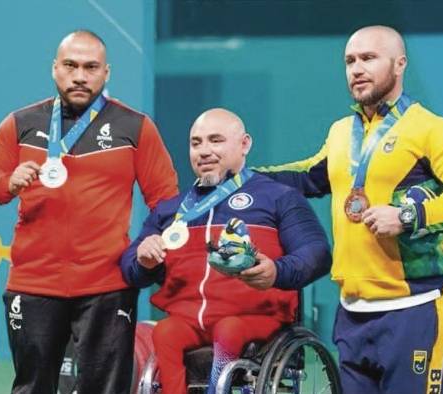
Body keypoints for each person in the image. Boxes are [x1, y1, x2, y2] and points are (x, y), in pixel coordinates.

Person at [256, 25, 443, 394]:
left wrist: (408, 217)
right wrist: (240, 177)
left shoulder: (434, 129)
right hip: (353, 313)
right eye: (350, 61)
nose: (356, 68)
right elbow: (308, 176)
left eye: (369, 58)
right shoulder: (341, 132)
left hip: (414, 309)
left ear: (400, 64)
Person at [0, 30, 178, 394]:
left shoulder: (136, 127)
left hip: (107, 284)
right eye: (70, 66)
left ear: (106, 73)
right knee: (33, 387)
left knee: (106, 389)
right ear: (55, 69)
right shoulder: (22, 123)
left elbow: (165, 200)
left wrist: (149, 245)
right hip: (34, 283)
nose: (80, 76)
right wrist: (9, 182)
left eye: (90, 67)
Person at [120, 108, 332, 394]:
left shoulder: (277, 197)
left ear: (244, 145)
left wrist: (277, 271)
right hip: (189, 319)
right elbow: (131, 268)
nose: (204, 151)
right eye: (196, 143)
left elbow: (317, 253)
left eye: (216, 140)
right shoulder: (171, 210)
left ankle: (217, 388)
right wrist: (144, 259)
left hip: (254, 317)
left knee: (228, 328)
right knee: (165, 332)